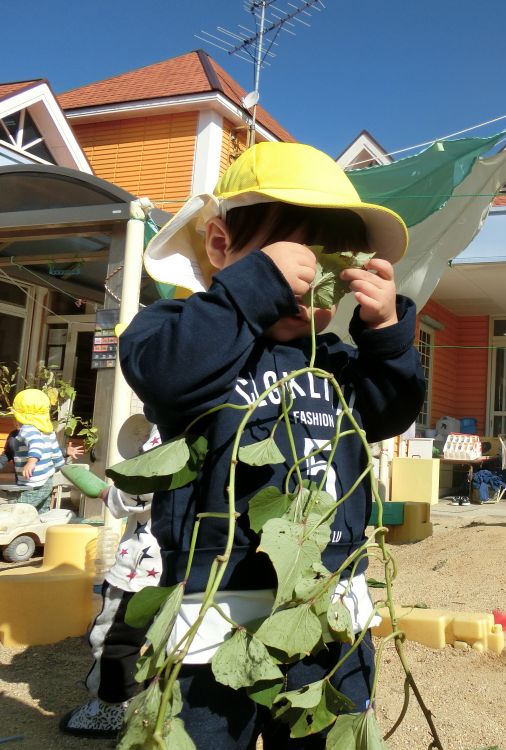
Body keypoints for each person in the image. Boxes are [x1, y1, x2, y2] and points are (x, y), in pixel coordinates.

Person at [118, 141, 424, 748]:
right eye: (285, 265)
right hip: (213, 610)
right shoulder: (184, 333)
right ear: (220, 246)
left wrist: (386, 335)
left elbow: (391, 411)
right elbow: (161, 369)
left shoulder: (334, 358)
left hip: (327, 607)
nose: (305, 287)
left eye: (323, 271)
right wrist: (251, 290)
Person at [60, 426, 162, 739]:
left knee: (115, 637)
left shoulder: (176, 413)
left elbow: (148, 481)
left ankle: (110, 708)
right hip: (188, 560)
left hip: (143, 564)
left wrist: (106, 492)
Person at [7, 389, 66, 510]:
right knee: (40, 513)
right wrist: (60, 465)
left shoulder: (27, 429)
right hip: (47, 482)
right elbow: (57, 456)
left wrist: (31, 461)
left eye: (15, 417)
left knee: (19, 512)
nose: (14, 421)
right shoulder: (48, 431)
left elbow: (36, 443)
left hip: (33, 485)